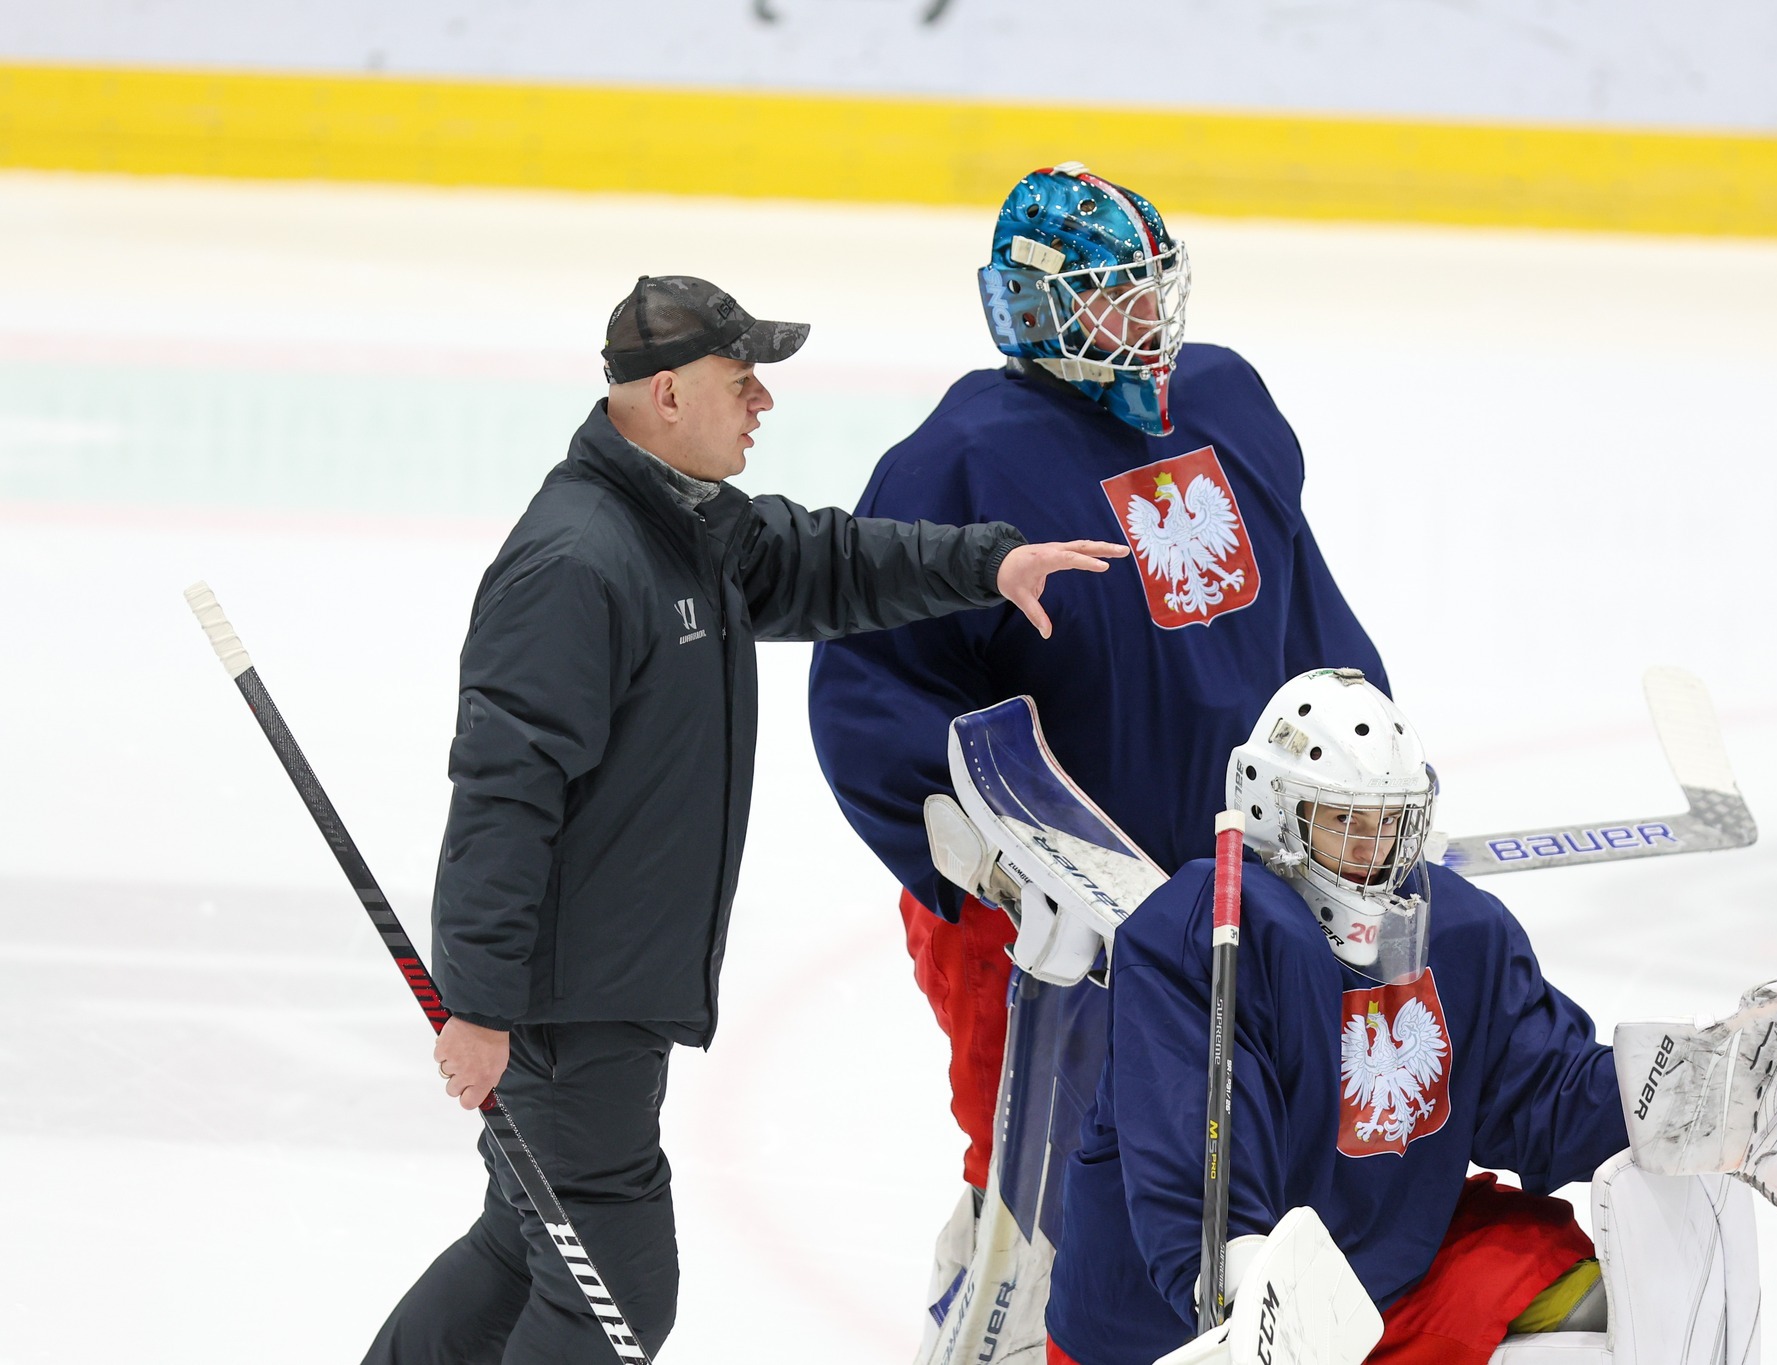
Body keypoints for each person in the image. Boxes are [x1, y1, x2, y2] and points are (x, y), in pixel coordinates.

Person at [363, 275, 1128, 1364]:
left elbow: (825, 560)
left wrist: (986, 564)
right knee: (611, 1293)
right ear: (667, 394)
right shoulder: (578, 563)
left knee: (525, 1239)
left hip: (605, 984)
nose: (762, 400)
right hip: (563, 1003)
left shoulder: (684, 528)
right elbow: (502, 796)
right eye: (741, 378)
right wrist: (479, 1006)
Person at [808, 162, 1390, 1205]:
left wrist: (1366, 755)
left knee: (1228, 1182)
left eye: (1150, 283)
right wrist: (983, 860)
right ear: (1032, 308)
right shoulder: (959, 461)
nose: (1143, 314)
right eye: (1109, 292)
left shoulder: (1224, 402)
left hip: (1232, 892)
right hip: (1038, 924)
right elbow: (867, 686)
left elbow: (1300, 607)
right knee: (1036, 1193)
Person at [1046, 668, 1625, 1365]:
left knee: (1592, 1310)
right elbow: (1190, 1152)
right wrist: (1247, 1285)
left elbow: (1543, 1091)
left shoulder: (1460, 929)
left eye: (1389, 822)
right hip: (1170, 1339)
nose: (1371, 851)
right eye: (1344, 821)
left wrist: (1673, 1097)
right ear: (1271, 809)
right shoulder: (1210, 933)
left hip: (1375, 1283)